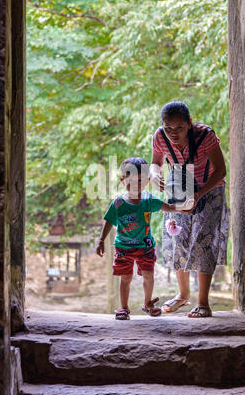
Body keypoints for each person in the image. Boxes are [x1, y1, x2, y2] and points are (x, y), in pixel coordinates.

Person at [150, 101, 229, 318]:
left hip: (209, 190)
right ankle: (182, 294)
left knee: (203, 241)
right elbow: (155, 162)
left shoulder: (205, 136)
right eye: (168, 128)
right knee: (178, 236)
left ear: (190, 124)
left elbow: (221, 170)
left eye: (179, 128)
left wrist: (198, 195)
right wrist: (155, 174)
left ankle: (203, 302)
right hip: (179, 187)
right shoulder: (159, 136)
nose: (173, 133)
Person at [96, 157, 188, 320]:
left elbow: (168, 207)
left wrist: (182, 208)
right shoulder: (118, 203)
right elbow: (109, 221)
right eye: (130, 180)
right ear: (122, 181)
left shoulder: (148, 200)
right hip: (123, 247)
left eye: (139, 180)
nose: (135, 184)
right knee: (126, 277)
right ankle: (123, 308)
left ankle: (148, 304)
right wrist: (101, 240)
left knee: (148, 275)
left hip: (146, 247)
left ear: (146, 180)